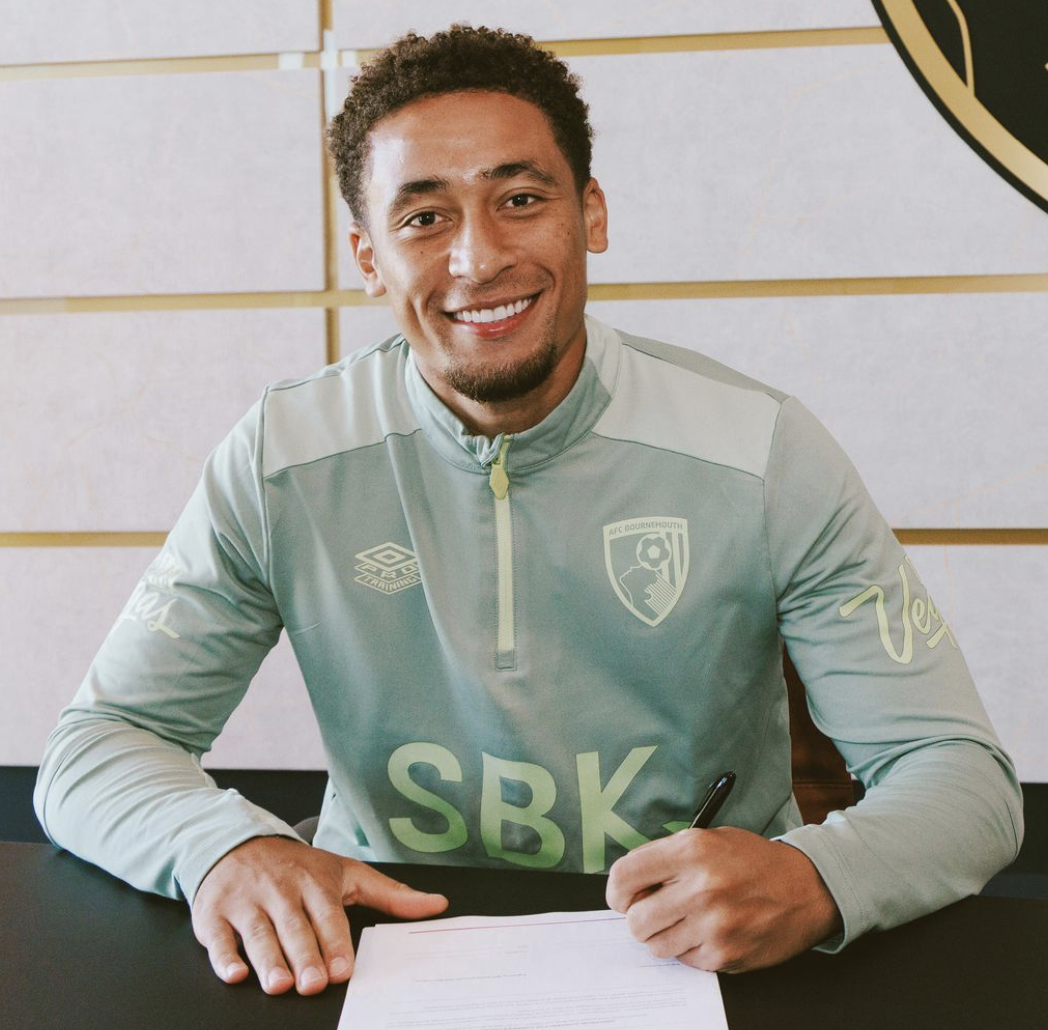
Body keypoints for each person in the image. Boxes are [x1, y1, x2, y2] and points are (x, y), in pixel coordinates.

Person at [35, 25, 1022, 997]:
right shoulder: (281, 456)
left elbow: (960, 776)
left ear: (590, 213)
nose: (477, 258)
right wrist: (219, 846)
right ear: (368, 257)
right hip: (375, 955)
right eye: (424, 217)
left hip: (692, 968)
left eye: (519, 199)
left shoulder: (762, 450)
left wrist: (815, 876)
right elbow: (96, 745)